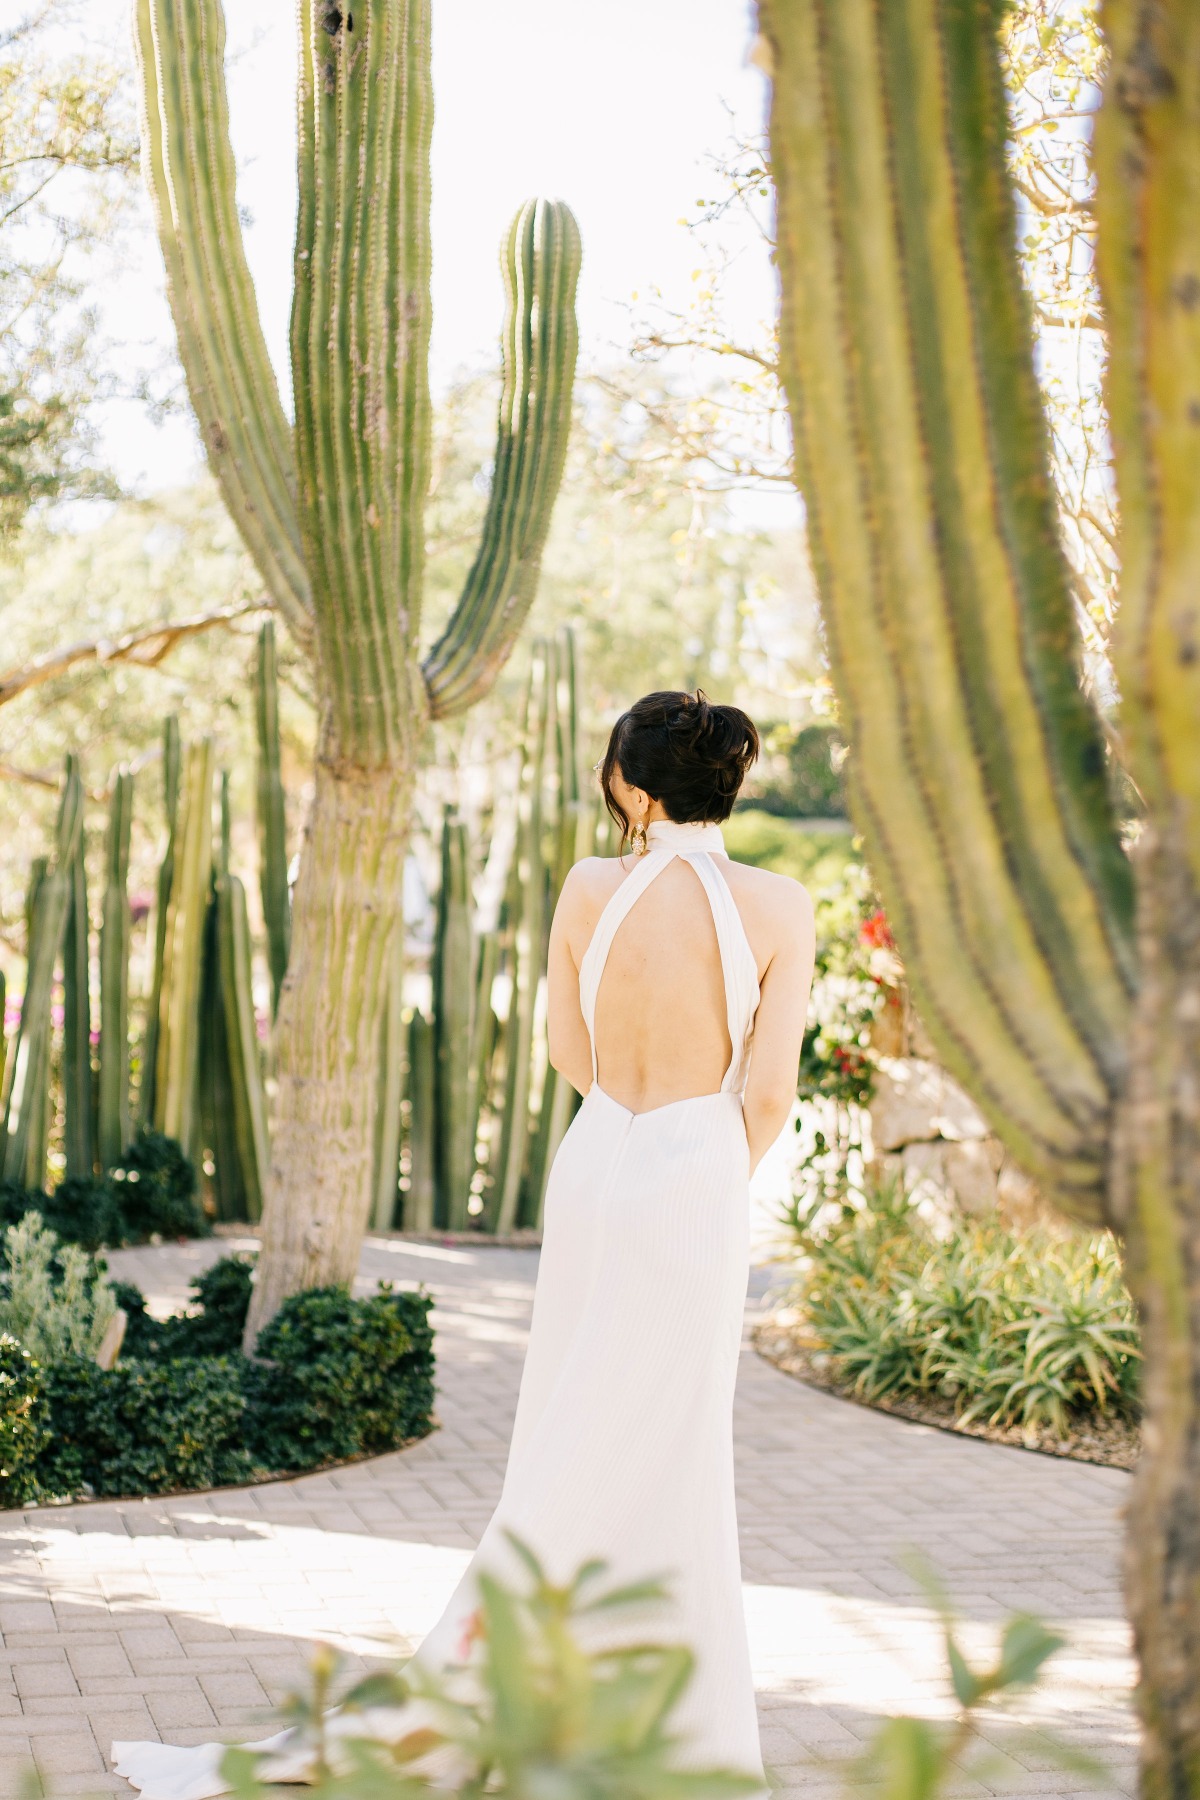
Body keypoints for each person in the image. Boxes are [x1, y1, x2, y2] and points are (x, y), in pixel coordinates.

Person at [114, 688, 815, 1799]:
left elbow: (566, 1047)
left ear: (633, 786)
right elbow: (768, 1093)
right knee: (668, 1444)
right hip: (696, 1173)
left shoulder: (594, 883)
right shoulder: (779, 905)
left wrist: (626, 1134)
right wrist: (705, 1161)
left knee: (570, 1422)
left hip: (596, 1161)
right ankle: (655, 1721)